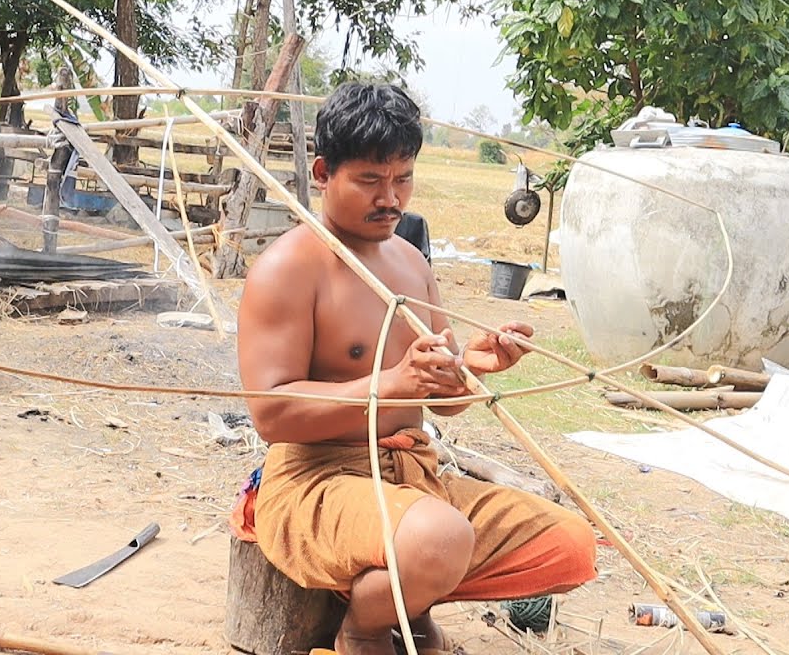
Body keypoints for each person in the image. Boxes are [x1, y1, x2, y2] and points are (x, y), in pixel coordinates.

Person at [235, 83, 597, 655]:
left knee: (570, 541)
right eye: (370, 181)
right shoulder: (288, 268)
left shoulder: (409, 264)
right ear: (325, 172)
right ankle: (366, 630)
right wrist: (392, 382)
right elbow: (271, 413)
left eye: (402, 178)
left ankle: (406, 595)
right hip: (320, 482)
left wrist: (476, 367)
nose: (391, 199)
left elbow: (441, 397)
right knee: (439, 536)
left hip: (416, 477)